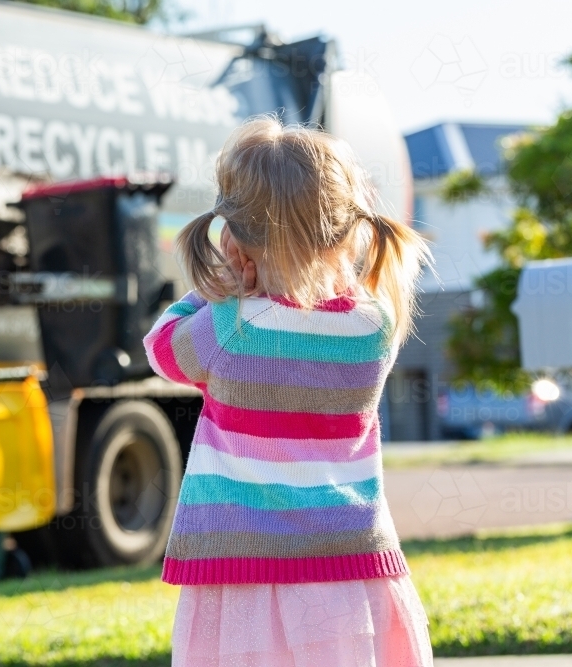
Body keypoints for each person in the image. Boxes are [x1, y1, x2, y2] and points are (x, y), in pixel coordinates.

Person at [143, 116, 434, 667]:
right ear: (347, 231)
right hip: (353, 574)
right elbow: (333, 295)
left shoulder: (229, 327)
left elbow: (160, 348)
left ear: (231, 239)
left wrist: (217, 292)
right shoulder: (374, 324)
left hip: (244, 579)